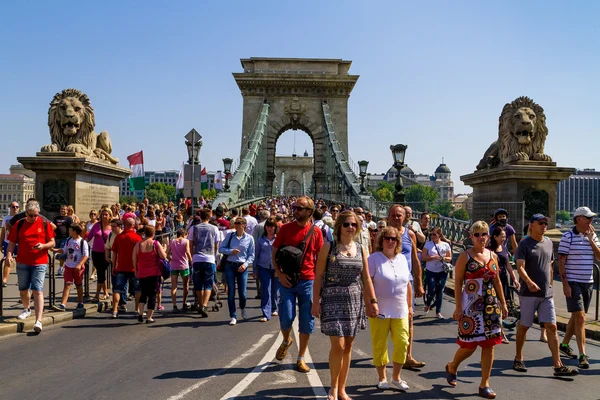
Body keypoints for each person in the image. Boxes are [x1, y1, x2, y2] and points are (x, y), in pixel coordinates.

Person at [312, 211, 378, 400]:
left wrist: (372, 301)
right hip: (332, 299)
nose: (351, 228)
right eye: (347, 224)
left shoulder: (361, 248)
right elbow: (318, 277)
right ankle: (333, 387)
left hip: (354, 300)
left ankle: (342, 388)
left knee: (348, 345)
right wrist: (315, 302)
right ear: (339, 226)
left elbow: (366, 277)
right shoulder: (329, 247)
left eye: (354, 225)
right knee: (338, 344)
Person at [445, 221, 507, 399]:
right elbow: (457, 282)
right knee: (469, 345)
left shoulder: (493, 256)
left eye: (484, 234)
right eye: (477, 234)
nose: (481, 238)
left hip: (490, 305)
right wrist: (458, 307)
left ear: (489, 236)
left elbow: (497, 281)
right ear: (471, 236)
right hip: (471, 306)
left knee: (489, 345)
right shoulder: (465, 256)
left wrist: (502, 303)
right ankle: (452, 365)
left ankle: (484, 384)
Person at [513, 214, 578, 377]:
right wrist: (528, 282)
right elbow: (520, 267)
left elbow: (550, 265)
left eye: (546, 223)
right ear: (532, 225)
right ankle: (518, 357)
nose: (544, 225)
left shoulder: (548, 242)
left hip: (546, 294)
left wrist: (550, 284)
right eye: (541, 223)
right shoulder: (524, 244)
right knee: (524, 326)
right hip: (529, 293)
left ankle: (558, 365)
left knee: (552, 326)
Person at [272, 196, 324, 373]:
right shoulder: (285, 229)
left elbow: (320, 259)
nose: (295, 210)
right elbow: (274, 254)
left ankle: (301, 358)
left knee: (306, 322)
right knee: (286, 318)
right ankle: (287, 340)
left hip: (308, 281)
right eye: (294, 207)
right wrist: (279, 274)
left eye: (300, 208)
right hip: (287, 280)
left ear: (309, 212)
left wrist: (319, 283)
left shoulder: (316, 232)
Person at [366, 226, 412, 392]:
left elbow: (407, 284)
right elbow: (368, 282)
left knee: (402, 342)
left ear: (398, 241)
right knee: (380, 344)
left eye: (394, 239)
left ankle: (396, 377)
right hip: (380, 309)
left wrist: (410, 305)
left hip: (400, 308)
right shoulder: (374, 259)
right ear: (381, 240)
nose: (390, 241)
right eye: (387, 238)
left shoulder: (401, 259)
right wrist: (370, 303)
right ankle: (382, 377)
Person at [558, 206, 600, 369]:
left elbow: (599, 257)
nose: (591, 220)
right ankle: (583, 354)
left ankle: (564, 345)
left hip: (588, 282)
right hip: (573, 282)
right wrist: (565, 285)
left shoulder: (593, 235)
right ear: (578, 219)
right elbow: (561, 261)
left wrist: (590, 240)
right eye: (587, 217)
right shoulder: (567, 236)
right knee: (581, 317)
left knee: (576, 317)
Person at [5, 200, 55, 333]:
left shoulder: (44, 224)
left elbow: (52, 242)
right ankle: (26, 309)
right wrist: (9, 255)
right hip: (22, 261)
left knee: (37, 290)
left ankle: (38, 320)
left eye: (36, 215)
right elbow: (12, 242)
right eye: (31, 215)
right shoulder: (19, 223)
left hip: (40, 261)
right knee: (23, 289)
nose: (34, 218)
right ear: (26, 213)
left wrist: (43, 246)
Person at [387, 204, 425, 369]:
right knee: (387, 321)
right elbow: (374, 257)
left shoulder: (410, 235)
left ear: (405, 217)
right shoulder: (383, 235)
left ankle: (408, 356)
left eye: (399, 215)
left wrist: (419, 282)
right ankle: (386, 353)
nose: (396, 218)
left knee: (408, 319)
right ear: (389, 216)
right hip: (386, 283)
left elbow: (415, 260)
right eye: (394, 215)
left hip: (406, 283)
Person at [219, 216, 255, 325]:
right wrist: (231, 251)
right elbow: (221, 249)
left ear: (244, 225)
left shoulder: (249, 238)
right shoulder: (230, 236)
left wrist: (245, 264)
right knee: (231, 292)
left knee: (242, 293)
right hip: (230, 265)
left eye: (239, 223)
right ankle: (233, 315)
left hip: (242, 266)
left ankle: (243, 307)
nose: (237, 225)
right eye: (236, 223)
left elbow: (251, 255)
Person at [487, 226, 519, 344]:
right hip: (492, 280)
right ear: (495, 237)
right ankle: (501, 333)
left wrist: (514, 279)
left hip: (503, 279)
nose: (504, 239)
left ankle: (497, 331)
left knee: (500, 306)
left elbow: (508, 266)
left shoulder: (504, 248)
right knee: (496, 306)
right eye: (502, 236)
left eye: (505, 236)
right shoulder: (488, 249)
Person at [189, 209, 220, 318]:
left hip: (197, 257)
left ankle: (201, 304)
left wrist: (193, 256)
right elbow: (216, 245)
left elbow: (191, 244)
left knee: (198, 284)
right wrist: (214, 256)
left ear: (200, 216)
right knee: (208, 283)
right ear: (210, 216)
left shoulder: (194, 228)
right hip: (209, 258)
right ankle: (205, 305)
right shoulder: (214, 228)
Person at [133, 225, 167, 323]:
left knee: (143, 293)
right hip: (154, 273)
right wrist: (164, 248)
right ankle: (149, 317)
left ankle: (140, 313)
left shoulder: (138, 245)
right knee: (152, 294)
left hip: (142, 273)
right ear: (153, 233)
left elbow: (134, 258)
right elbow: (163, 256)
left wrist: (136, 270)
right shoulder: (155, 244)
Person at [110, 215, 142, 319]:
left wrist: (114, 266)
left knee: (117, 289)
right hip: (134, 268)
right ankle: (137, 309)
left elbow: (114, 253)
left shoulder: (119, 237)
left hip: (121, 267)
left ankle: (115, 310)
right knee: (137, 290)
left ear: (124, 225)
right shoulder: (137, 237)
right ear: (133, 225)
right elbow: (140, 254)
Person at [52, 223, 89, 310]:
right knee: (67, 285)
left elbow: (86, 255)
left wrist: (80, 265)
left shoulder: (83, 242)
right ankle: (63, 304)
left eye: (70, 230)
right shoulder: (69, 240)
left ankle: (80, 302)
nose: (68, 231)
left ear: (75, 231)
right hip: (68, 266)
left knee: (78, 285)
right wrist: (55, 249)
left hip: (77, 267)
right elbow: (64, 250)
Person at [421, 227, 452, 318]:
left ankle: (438, 312)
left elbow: (449, 258)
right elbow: (423, 257)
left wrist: (443, 258)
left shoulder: (445, 245)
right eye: (431, 234)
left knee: (440, 291)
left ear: (439, 235)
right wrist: (432, 258)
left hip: (442, 271)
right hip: (431, 271)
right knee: (432, 289)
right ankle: (428, 304)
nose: (432, 236)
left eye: (434, 234)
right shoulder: (428, 244)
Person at [253, 216, 279, 322]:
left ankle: (274, 307)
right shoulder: (261, 239)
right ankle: (265, 313)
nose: (269, 228)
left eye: (271, 226)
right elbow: (257, 254)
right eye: (268, 226)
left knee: (275, 289)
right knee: (265, 290)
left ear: (275, 227)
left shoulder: (278, 239)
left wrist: (280, 269)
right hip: (263, 267)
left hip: (275, 267)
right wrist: (255, 270)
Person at [86, 208, 113, 302]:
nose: (104, 216)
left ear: (110, 216)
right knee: (101, 273)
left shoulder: (111, 227)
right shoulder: (97, 225)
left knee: (101, 272)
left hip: (106, 253)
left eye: (106, 214)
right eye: (103, 214)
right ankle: (105, 293)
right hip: (95, 252)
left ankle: (97, 295)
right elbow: (89, 237)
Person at [168, 228, 192, 312]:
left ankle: (174, 305)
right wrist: (191, 261)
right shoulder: (186, 241)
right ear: (184, 234)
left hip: (174, 265)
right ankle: (184, 303)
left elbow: (167, 253)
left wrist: (170, 259)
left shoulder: (172, 241)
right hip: (183, 265)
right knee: (185, 285)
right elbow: (188, 252)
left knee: (174, 286)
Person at [1, 201, 20, 287]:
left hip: (19, 243)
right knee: (7, 261)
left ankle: (20, 280)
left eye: (17, 207)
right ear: (10, 208)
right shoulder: (6, 218)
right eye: (13, 207)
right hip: (7, 242)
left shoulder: (21, 218)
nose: (15, 208)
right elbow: (3, 231)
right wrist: (0, 243)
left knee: (20, 262)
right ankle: (4, 279)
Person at [54, 205, 73, 275]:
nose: (63, 210)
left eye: (64, 209)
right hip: (56, 238)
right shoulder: (56, 218)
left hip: (64, 238)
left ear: (67, 211)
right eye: (62, 209)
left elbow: (71, 228)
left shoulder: (69, 219)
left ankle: (61, 268)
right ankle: (66, 261)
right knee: (55, 254)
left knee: (61, 253)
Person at [85, 210, 99, 281]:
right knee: (89, 258)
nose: (92, 215)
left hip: (96, 242)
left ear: (97, 215)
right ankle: (90, 272)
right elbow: (84, 232)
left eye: (94, 214)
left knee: (94, 259)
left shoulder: (98, 223)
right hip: (89, 241)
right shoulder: (87, 223)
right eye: (91, 214)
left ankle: (93, 273)